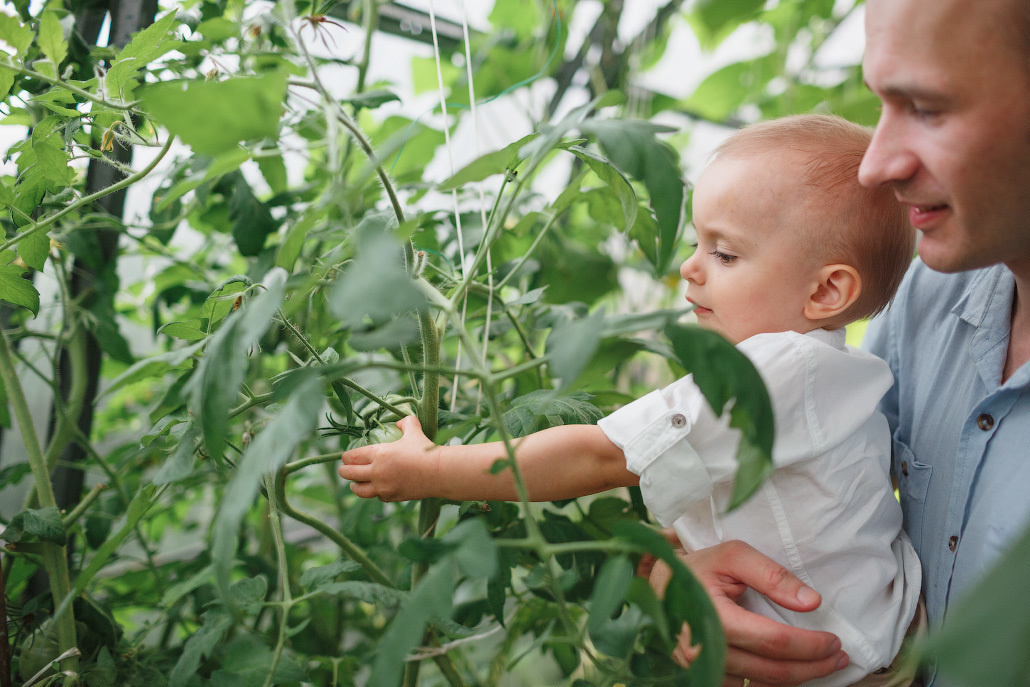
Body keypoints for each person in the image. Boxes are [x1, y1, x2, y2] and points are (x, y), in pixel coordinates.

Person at [339, 114, 922, 686]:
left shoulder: (778, 372)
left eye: (725, 254)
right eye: (699, 242)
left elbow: (598, 456)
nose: (690, 267)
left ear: (825, 290)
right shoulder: (824, 373)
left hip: (842, 667)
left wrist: (430, 469)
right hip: (855, 647)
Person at [677, 1, 1030, 686]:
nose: (877, 165)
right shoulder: (930, 293)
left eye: (926, 108)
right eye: (882, 104)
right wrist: (687, 576)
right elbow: (816, 489)